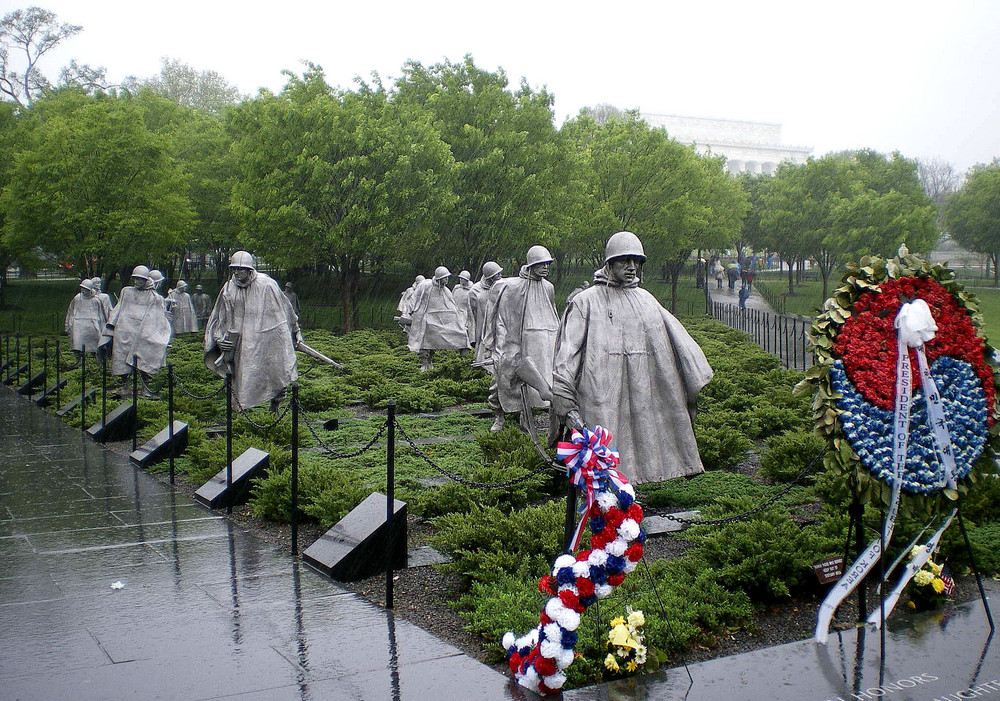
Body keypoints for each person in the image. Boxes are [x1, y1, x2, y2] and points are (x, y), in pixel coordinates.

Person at [549, 231, 713, 484]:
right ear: (609, 263)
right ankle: (606, 501)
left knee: (640, 451)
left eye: (636, 261)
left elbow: (676, 345)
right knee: (604, 455)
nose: (632, 267)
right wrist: (565, 400)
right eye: (624, 260)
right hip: (600, 393)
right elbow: (567, 354)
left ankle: (629, 499)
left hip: (641, 390)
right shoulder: (586, 301)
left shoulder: (646, 300)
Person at [204, 251, 301, 411]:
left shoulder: (267, 285)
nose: (236, 272)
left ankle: (275, 406)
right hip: (242, 343)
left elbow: (286, 310)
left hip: (268, 338)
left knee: (276, 372)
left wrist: (295, 331)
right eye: (234, 269)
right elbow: (219, 316)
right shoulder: (229, 287)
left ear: (250, 269)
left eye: (240, 269)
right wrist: (219, 339)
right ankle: (241, 414)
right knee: (242, 380)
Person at [483, 245, 559, 432]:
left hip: (543, 341)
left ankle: (528, 416)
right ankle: (498, 416)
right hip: (515, 341)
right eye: (541, 264)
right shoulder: (510, 286)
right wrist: (494, 343)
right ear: (531, 264)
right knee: (503, 378)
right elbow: (496, 316)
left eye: (548, 264)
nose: (546, 268)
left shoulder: (548, 287)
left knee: (541, 381)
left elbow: (553, 313)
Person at [99, 265, 172, 389]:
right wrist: (110, 327)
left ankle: (146, 388)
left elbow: (158, 317)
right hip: (124, 331)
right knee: (122, 360)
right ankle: (124, 386)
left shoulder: (156, 298)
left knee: (145, 359)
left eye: (141, 279)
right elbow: (118, 308)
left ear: (146, 280)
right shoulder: (126, 291)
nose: (137, 282)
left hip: (143, 333)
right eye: (135, 278)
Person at [403, 266, 470, 372]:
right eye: (445, 277)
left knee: (460, 335)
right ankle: (425, 364)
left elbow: (452, 307)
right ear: (439, 278)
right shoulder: (425, 286)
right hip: (425, 319)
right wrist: (409, 312)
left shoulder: (446, 291)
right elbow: (414, 298)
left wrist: (459, 322)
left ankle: (463, 362)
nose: (447, 280)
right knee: (425, 343)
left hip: (438, 321)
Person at [65, 279, 107, 356]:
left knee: (94, 349)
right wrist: (68, 325)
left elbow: (101, 316)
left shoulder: (96, 301)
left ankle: (94, 360)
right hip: (78, 326)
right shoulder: (77, 298)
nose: (83, 291)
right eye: (82, 288)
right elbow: (70, 312)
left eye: (86, 289)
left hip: (92, 327)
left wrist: (103, 329)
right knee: (78, 347)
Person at [469, 262, 502, 352]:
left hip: (498, 324)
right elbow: (471, 316)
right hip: (482, 325)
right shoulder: (475, 291)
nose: (500, 276)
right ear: (490, 277)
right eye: (497, 275)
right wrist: (472, 338)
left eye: (500, 273)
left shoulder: (502, 287)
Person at [452, 270, 474, 348]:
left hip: (465, 313)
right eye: (460, 278)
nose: (461, 280)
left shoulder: (471, 290)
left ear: (467, 280)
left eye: (463, 279)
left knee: (464, 330)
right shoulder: (456, 288)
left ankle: (465, 346)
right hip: (455, 312)